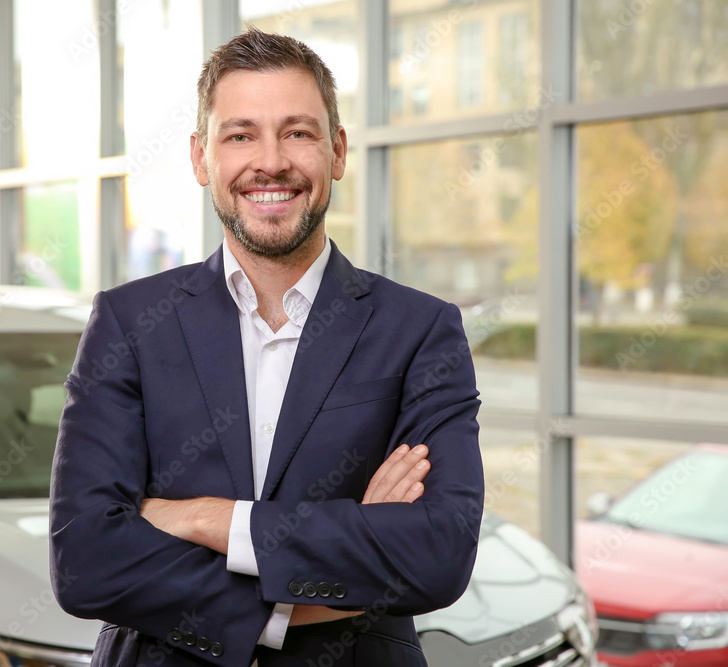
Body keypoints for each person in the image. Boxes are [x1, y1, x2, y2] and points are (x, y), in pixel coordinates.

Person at [50, 27, 483, 667]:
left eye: (298, 132)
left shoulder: (419, 330)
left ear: (337, 151)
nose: (272, 161)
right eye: (241, 134)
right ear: (202, 158)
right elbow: (84, 560)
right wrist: (319, 586)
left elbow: (437, 554)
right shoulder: (130, 322)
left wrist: (206, 519)